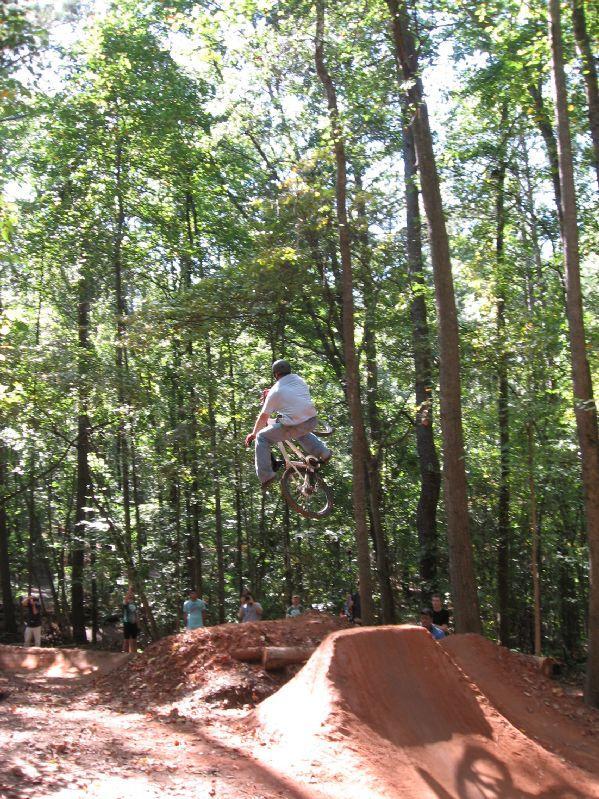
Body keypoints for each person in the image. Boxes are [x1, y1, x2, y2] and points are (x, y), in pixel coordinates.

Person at [245, 360, 332, 491]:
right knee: (300, 431)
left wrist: (254, 433)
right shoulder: (299, 380)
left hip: (295, 425)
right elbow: (290, 394)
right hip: (312, 420)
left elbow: (264, 417)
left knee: (262, 436)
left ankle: (266, 476)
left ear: (275, 374)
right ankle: (324, 453)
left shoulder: (275, 392)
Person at [122, 588, 139, 654]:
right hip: (127, 622)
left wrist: (138, 623)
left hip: (134, 623)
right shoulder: (125, 603)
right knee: (126, 639)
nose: (131, 596)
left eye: (132, 595)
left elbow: (136, 614)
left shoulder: (134, 604)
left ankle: (134, 654)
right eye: (129, 595)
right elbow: (126, 599)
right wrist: (129, 590)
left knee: (134, 639)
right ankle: (124, 654)